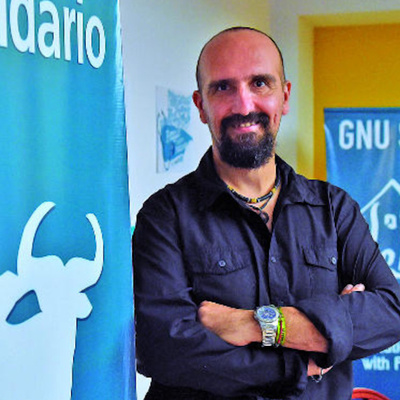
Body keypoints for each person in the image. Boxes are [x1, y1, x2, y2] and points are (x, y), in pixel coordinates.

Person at [133, 27, 400, 399]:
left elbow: (391, 312)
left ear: (284, 96)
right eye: (223, 87)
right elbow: (164, 348)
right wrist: (307, 353)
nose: (244, 105)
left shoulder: (334, 209)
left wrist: (255, 324)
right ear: (201, 106)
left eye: (259, 83)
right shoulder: (165, 217)